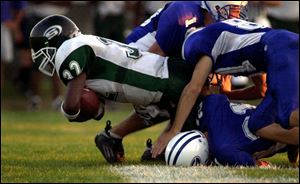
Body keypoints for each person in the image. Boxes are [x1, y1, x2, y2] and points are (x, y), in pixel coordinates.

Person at [29, 14, 202, 164]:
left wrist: (68, 110)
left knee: (200, 124)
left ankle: (168, 147)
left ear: (54, 36)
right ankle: (163, 148)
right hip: (160, 78)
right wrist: (93, 107)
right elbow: (98, 109)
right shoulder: (85, 46)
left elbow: (72, 106)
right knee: (186, 122)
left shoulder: (69, 48)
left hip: (163, 80)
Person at [151, 18, 299, 159]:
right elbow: (262, 89)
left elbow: (193, 88)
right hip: (282, 48)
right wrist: (229, 95)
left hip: (283, 50)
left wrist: (174, 130)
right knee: (259, 123)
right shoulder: (230, 40)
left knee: (287, 115)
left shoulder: (199, 42)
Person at [195, 93, 298, 167]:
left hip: (278, 130)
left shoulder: (223, 150)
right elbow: (216, 96)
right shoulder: (209, 106)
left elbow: (260, 165)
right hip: (277, 110)